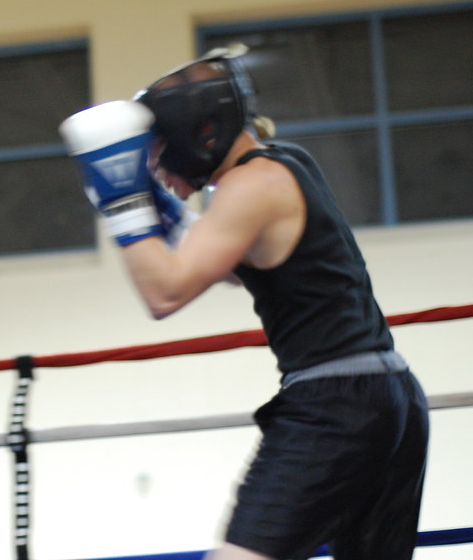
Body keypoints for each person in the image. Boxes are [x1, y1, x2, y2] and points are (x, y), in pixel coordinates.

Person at [59, 47, 429, 560]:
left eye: (160, 149)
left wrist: (124, 202)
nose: (156, 164)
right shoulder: (286, 164)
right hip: (394, 397)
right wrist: (159, 208)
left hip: (335, 405)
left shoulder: (248, 187)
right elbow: (233, 267)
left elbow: (164, 293)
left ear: (199, 132)